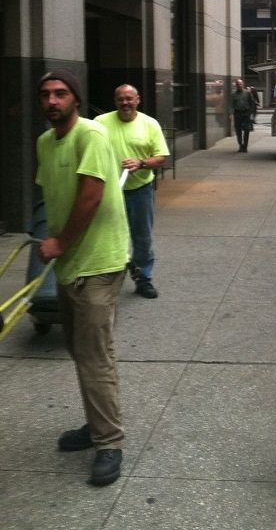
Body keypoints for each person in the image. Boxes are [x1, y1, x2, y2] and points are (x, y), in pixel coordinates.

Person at [36, 69, 129, 487]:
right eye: (46, 95)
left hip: (100, 261)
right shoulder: (44, 142)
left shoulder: (90, 135)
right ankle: (96, 425)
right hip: (71, 262)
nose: (53, 101)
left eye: (61, 93)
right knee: (79, 349)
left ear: (76, 98)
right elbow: (53, 195)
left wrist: (60, 242)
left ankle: (109, 442)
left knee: (94, 355)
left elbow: (90, 195)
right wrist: (50, 242)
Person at [96, 85, 169, 300]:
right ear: (115, 101)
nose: (125, 103)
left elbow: (162, 157)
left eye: (129, 99)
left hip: (140, 191)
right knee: (106, 237)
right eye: (121, 99)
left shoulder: (149, 124)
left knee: (142, 238)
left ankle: (143, 279)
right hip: (109, 191)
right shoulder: (100, 123)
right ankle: (105, 281)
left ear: (138, 100)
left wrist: (141, 163)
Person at [231, 78, 257, 152]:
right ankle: (240, 145)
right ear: (236, 85)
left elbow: (252, 103)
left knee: (246, 130)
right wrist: (230, 113)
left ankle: (245, 146)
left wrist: (251, 113)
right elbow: (231, 104)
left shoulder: (247, 93)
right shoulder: (233, 94)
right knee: (238, 130)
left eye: (240, 84)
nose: (239, 85)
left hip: (246, 114)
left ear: (243, 85)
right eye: (237, 84)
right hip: (237, 114)